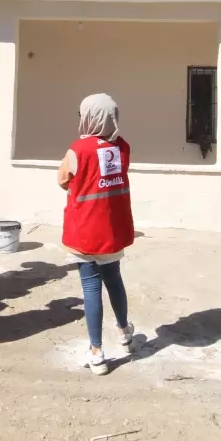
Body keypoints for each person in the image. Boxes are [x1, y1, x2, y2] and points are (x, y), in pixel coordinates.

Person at [57, 93, 135, 375]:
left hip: (86, 231)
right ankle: (125, 332)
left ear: (90, 117)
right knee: (113, 278)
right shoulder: (123, 147)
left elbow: (63, 180)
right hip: (112, 230)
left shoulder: (78, 149)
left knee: (90, 287)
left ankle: (97, 353)